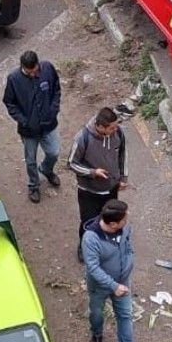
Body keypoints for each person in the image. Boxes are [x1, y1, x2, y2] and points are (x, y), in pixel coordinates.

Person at [82, 200, 148, 342]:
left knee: (125, 315)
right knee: (97, 313)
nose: (128, 220)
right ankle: (96, 335)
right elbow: (93, 268)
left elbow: (127, 243)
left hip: (123, 282)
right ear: (113, 224)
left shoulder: (124, 228)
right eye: (124, 219)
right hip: (100, 286)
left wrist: (129, 259)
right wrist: (113, 286)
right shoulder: (91, 239)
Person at [67, 107, 127, 260]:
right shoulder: (83, 137)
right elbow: (71, 163)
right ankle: (83, 246)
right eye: (112, 127)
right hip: (89, 191)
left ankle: (107, 246)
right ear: (101, 126)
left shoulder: (118, 133)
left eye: (116, 126)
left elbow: (122, 155)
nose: (116, 129)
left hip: (111, 189)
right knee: (88, 222)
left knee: (110, 220)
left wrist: (122, 178)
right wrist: (93, 173)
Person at [2, 50, 62, 202]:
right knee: (30, 161)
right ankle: (34, 186)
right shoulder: (14, 79)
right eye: (29, 73)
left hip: (49, 124)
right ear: (22, 67)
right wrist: (24, 121)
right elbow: (10, 103)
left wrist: (53, 110)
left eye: (35, 71)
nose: (33, 75)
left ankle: (47, 170)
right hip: (28, 130)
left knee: (53, 152)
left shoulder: (47, 68)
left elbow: (56, 89)